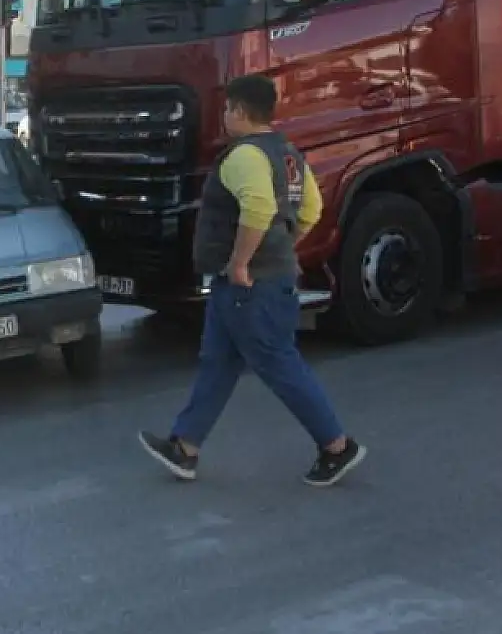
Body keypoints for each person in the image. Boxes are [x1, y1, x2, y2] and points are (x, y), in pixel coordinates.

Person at [139, 74, 366, 488]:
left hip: (250, 283)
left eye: (227, 109)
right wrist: (285, 247)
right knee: (218, 362)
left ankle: (337, 446)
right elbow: (311, 209)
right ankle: (185, 446)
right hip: (254, 281)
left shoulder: (244, 155)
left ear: (240, 112)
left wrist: (242, 262)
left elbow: (259, 206)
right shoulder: (288, 154)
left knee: (278, 362)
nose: (224, 116)